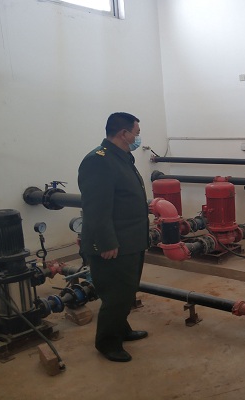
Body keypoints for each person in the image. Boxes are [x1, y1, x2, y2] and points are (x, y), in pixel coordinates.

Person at [78, 112, 150, 362]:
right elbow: (96, 208)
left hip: (131, 240)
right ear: (124, 133)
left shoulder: (121, 157)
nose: (138, 137)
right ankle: (107, 343)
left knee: (127, 291)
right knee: (115, 295)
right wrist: (106, 243)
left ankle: (122, 329)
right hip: (114, 244)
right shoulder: (99, 161)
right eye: (136, 133)